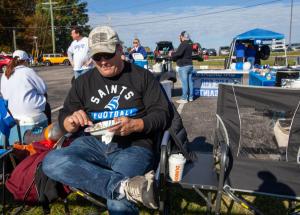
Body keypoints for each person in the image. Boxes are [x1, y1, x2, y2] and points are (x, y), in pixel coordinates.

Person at [42, 26, 171, 214]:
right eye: (96, 57)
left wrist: (136, 125)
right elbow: (65, 115)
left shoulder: (142, 76)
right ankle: (124, 187)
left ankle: (116, 191)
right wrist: (69, 121)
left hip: (133, 146)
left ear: (119, 49)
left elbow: (162, 114)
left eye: (107, 55)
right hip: (91, 143)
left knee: (117, 204)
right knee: (51, 161)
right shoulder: (83, 82)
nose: (102, 62)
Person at [0, 50, 50, 143]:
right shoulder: (28, 71)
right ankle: (49, 135)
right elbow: (43, 89)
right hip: (30, 112)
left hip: (11, 113)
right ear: (25, 61)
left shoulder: (5, 74)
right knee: (46, 102)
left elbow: (4, 95)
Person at [169, 31, 194, 104]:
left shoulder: (183, 43)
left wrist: (172, 53)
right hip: (190, 65)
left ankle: (184, 98)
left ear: (183, 37)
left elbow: (179, 53)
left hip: (184, 66)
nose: (179, 37)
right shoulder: (190, 43)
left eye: (180, 36)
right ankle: (190, 97)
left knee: (184, 83)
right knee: (190, 82)